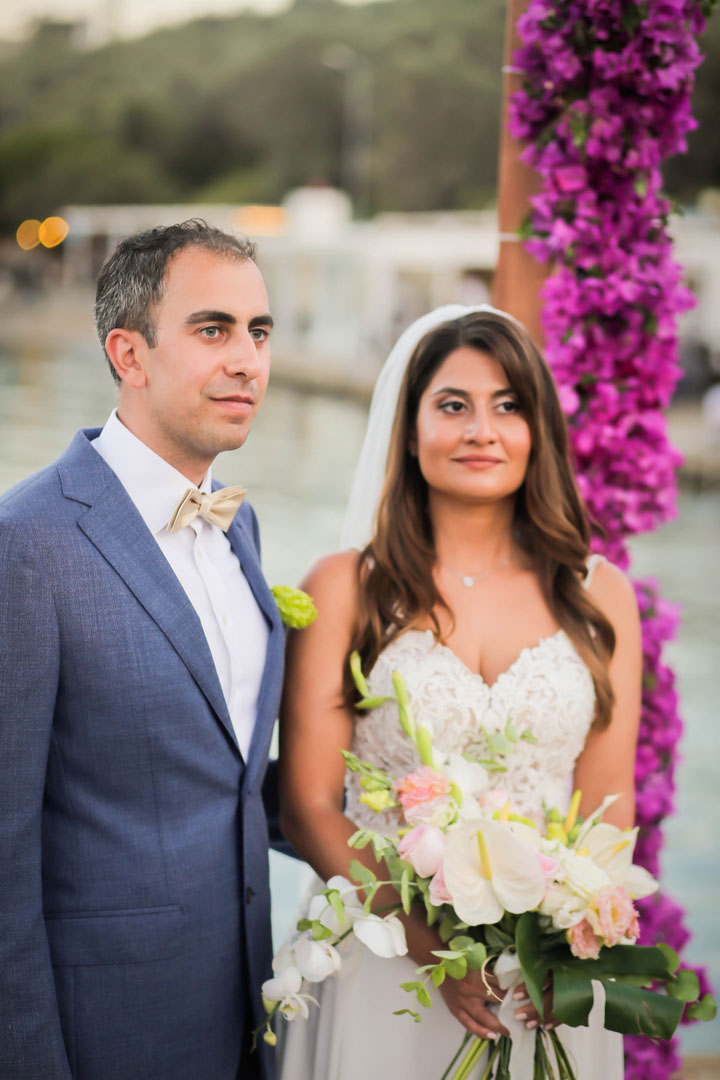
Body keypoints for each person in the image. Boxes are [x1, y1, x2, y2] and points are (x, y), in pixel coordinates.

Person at [277, 306, 642, 1078]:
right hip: (380, 954)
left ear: (538, 429)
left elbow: (610, 806)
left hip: (545, 980)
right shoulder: (345, 588)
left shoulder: (600, 595)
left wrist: (566, 949)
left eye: (508, 406)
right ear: (409, 431)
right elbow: (308, 805)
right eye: (453, 406)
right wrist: (427, 942)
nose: (482, 430)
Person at [0, 220, 285, 1080]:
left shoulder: (241, 527)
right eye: (213, 330)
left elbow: (226, 778)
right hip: (104, 1036)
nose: (248, 360)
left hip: (245, 1017)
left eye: (259, 331)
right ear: (129, 353)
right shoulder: (27, 544)